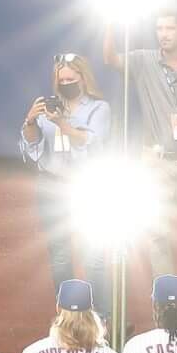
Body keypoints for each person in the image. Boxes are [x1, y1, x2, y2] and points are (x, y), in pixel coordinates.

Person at [107, 10, 177, 322]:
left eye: (170, 28)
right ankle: (168, 299)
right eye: (159, 28)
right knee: (158, 234)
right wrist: (110, 22)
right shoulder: (144, 60)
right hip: (154, 163)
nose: (163, 34)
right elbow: (112, 59)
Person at [19, 52, 113, 287]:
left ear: (83, 78)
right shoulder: (50, 107)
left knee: (93, 254)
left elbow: (91, 141)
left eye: (71, 80)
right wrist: (30, 120)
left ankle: (101, 313)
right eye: (62, 81)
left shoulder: (98, 108)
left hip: (88, 185)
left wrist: (62, 123)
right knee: (60, 256)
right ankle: (68, 313)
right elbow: (32, 145)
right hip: (52, 184)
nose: (66, 84)